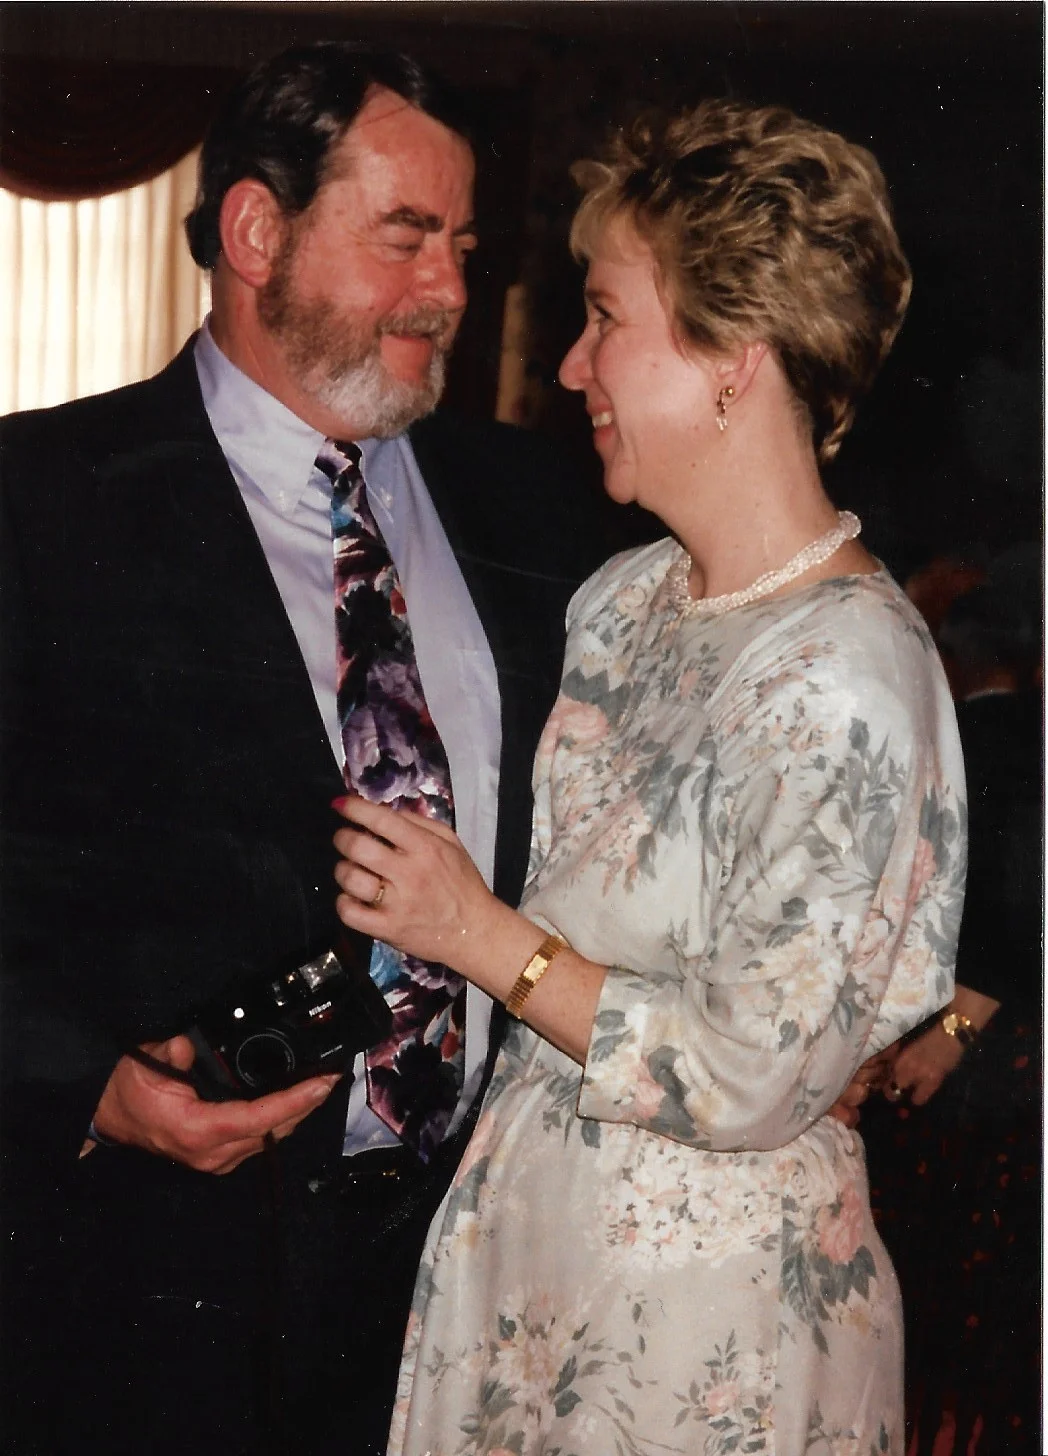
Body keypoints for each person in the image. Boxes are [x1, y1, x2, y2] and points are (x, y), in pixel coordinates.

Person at [0, 43, 611, 1456]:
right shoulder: (39, 505)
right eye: (406, 236)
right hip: (144, 1292)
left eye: (463, 246)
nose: (450, 289)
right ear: (255, 232)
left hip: (474, 1271)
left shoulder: (540, 510)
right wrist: (85, 1085)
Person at [332, 98, 967, 1453]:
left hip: (701, 1319)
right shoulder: (625, 600)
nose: (571, 367)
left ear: (734, 358)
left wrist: (477, 936)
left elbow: (751, 1075)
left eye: (605, 317)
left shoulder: (849, 677)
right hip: (534, 1247)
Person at [865, 570, 1042, 1451]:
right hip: (998, 1052)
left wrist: (952, 1033)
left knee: (953, 1283)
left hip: (979, 1057)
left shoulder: (978, 745)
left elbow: (1018, 910)